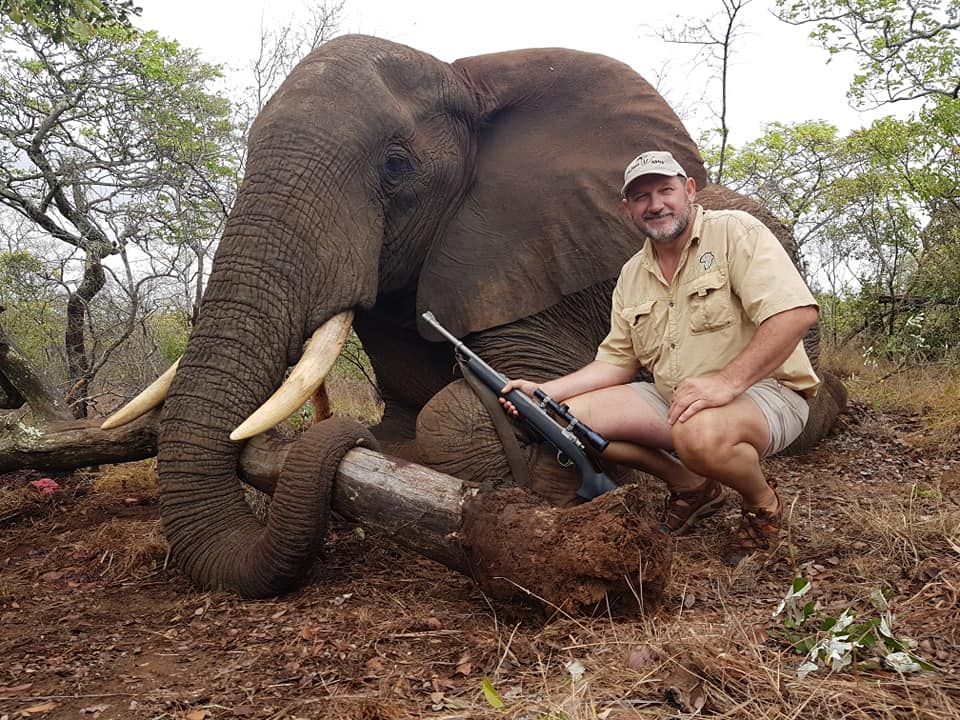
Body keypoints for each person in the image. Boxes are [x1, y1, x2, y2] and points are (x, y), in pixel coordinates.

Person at [500, 150, 820, 565]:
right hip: (678, 400)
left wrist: (726, 383)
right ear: (627, 209)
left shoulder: (735, 231)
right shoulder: (632, 274)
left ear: (688, 190)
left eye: (665, 190)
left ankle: (762, 504)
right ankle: (692, 486)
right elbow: (616, 363)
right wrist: (543, 391)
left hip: (765, 393)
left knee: (699, 433)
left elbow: (795, 313)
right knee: (564, 420)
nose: (655, 205)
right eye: (641, 197)